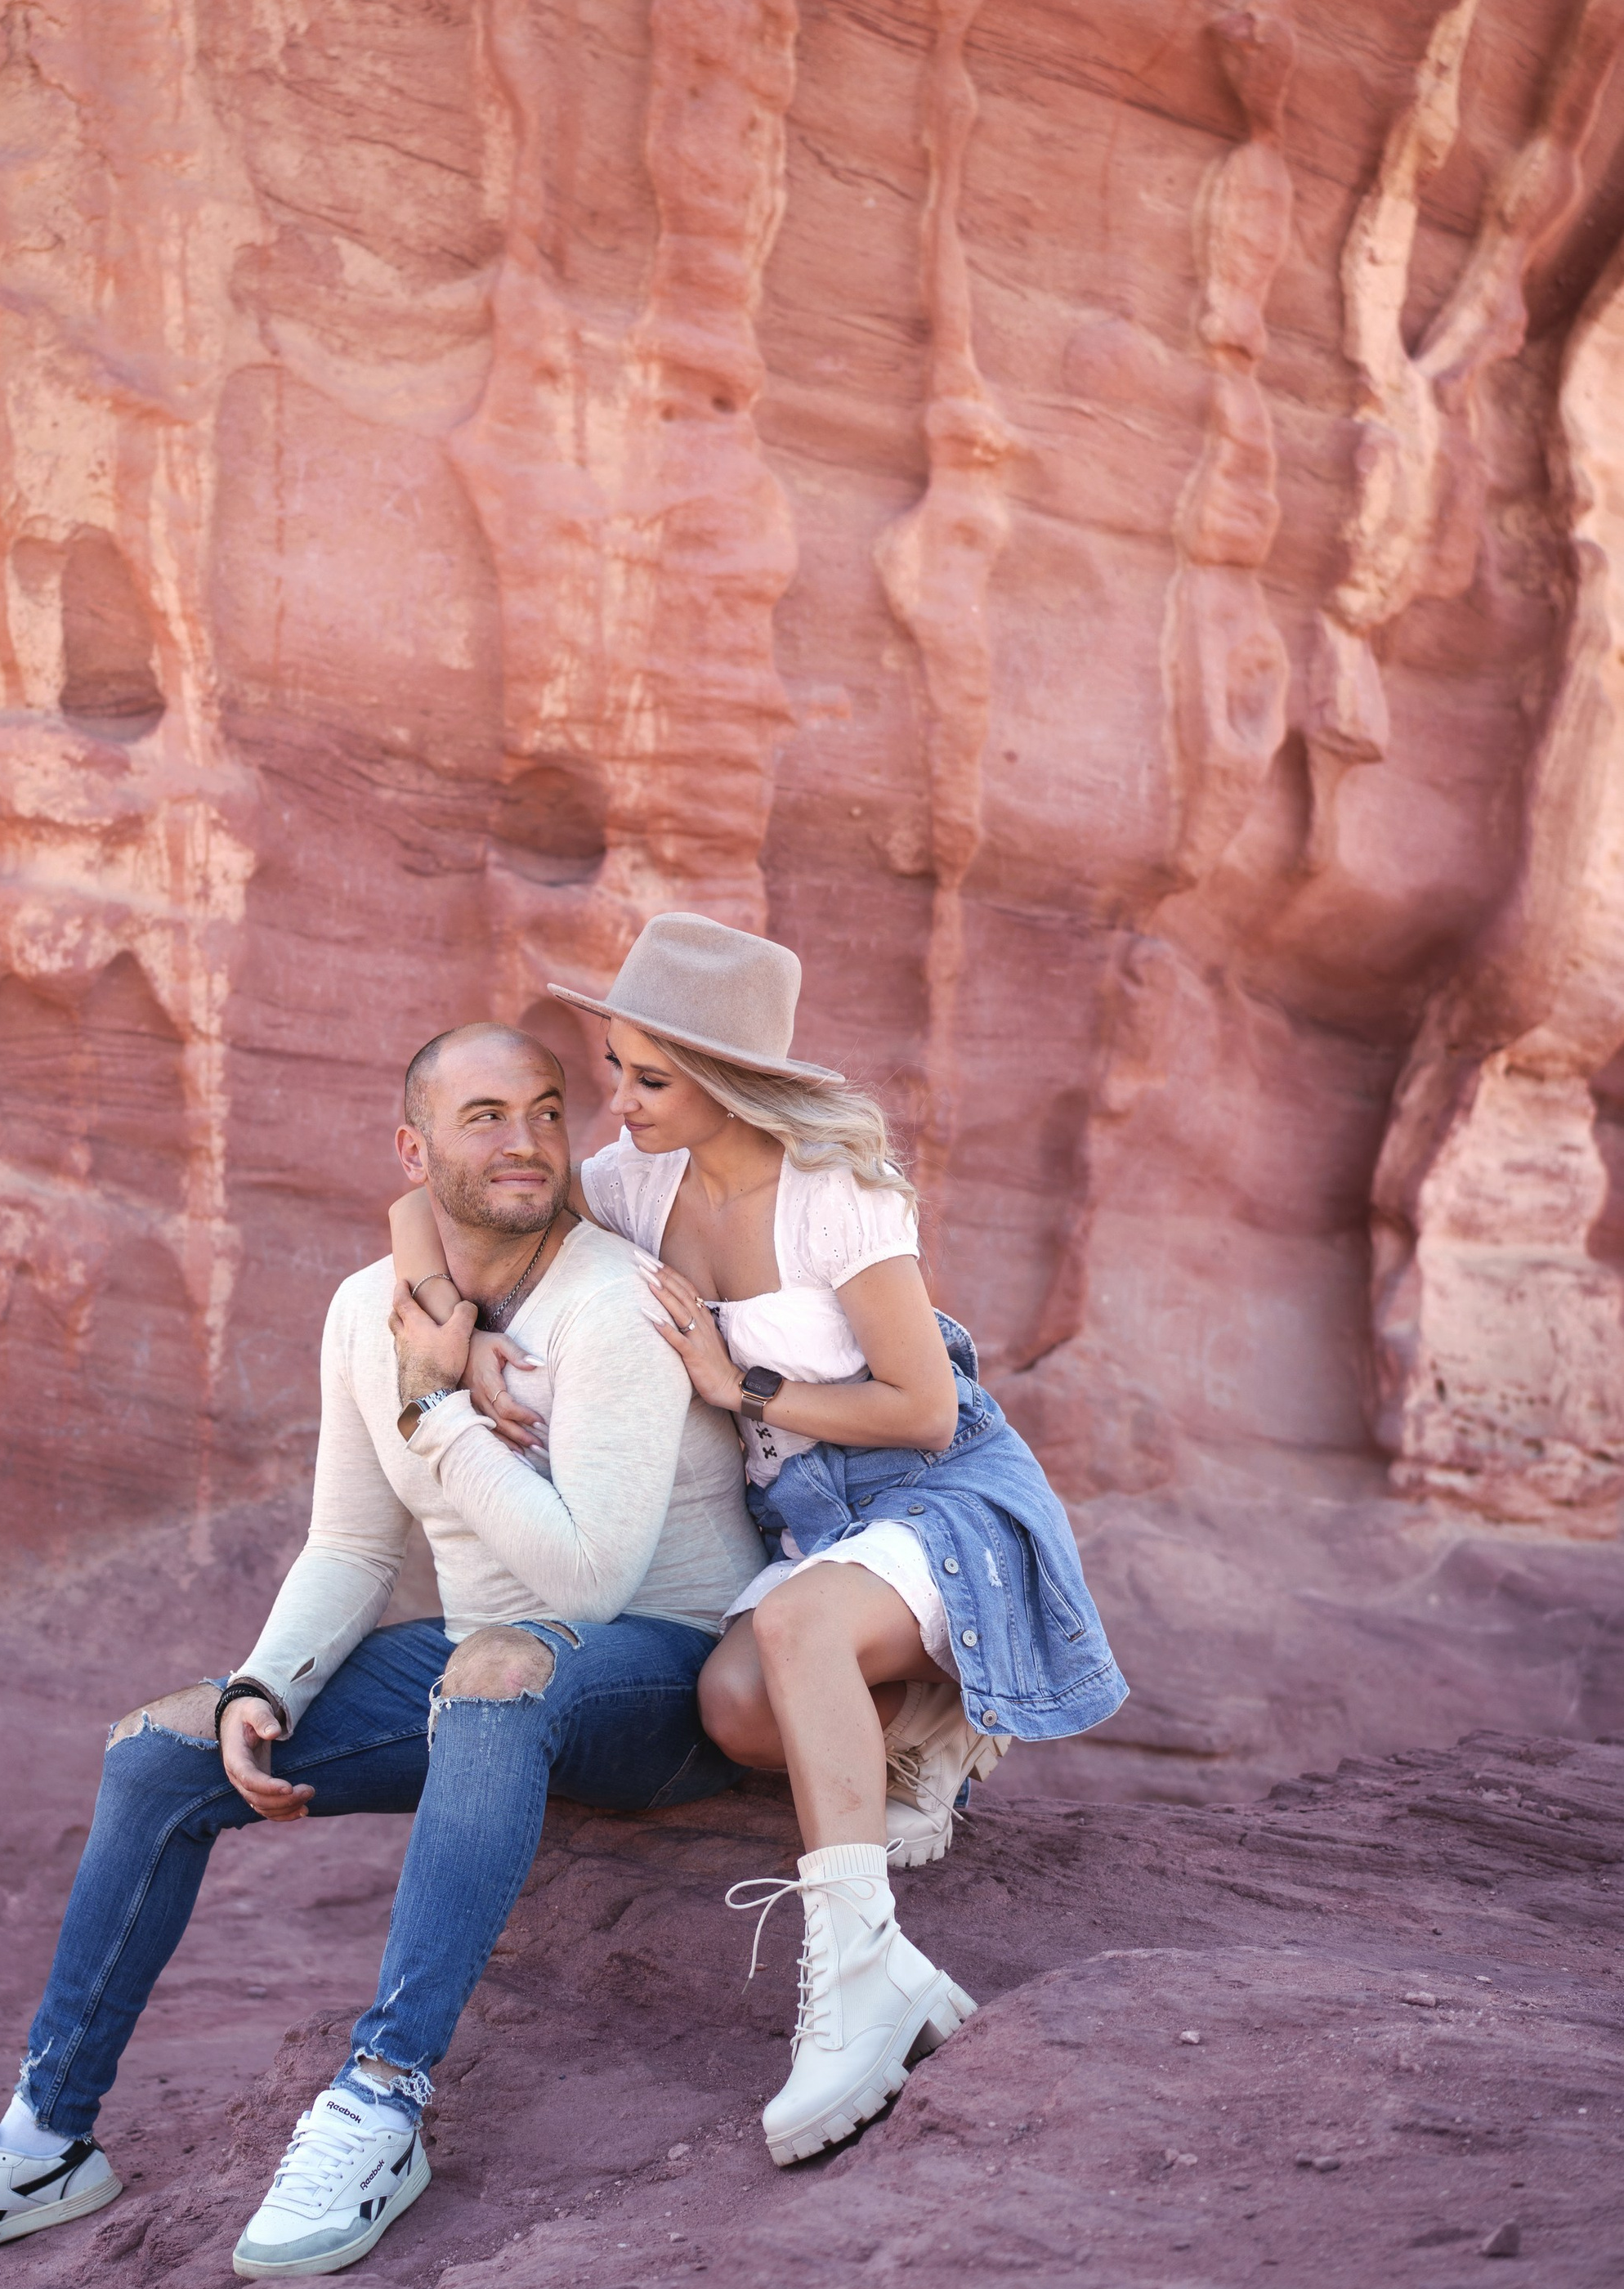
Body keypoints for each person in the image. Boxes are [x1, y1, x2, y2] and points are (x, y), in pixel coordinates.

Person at [0, 1024, 764, 2287]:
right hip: (478, 1666)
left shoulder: (612, 1305)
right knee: (163, 1747)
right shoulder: (366, 1311)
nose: (525, 1143)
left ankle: (379, 2104)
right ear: (413, 1149)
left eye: (549, 1113)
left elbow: (587, 1582)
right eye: (486, 1116)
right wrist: (260, 1686)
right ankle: (46, 2134)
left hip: (662, 1679)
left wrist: (438, 1407)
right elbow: (347, 1542)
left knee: (501, 1667)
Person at [394, 914, 1125, 2167]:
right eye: (617, 1069)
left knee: (793, 1627)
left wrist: (743, 1388)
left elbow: (924, 1407)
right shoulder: (636, 1184)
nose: (615, 1105)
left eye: (650, 1078)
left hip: (934, 1495)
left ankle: (861, 1985)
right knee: (733, 1710)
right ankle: (932, 1734)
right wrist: (455, 1338)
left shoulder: (841, 1196)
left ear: (731, 1082)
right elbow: (435, 1202)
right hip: (812, 1523)